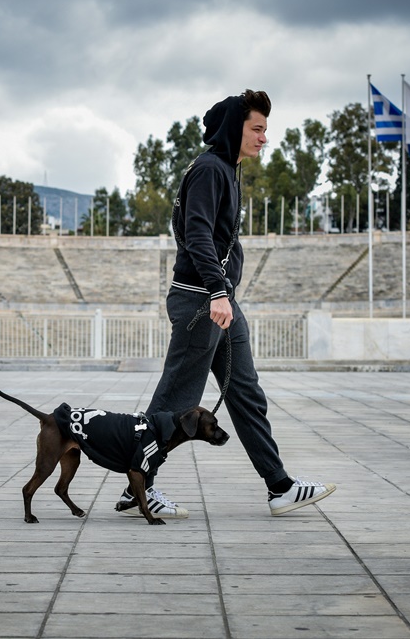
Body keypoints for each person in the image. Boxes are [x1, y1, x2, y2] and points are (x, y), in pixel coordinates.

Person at [115, 89, 336, 519]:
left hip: (221, 303)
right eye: (257, 128)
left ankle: (280, 486)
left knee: (246, 393)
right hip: (202, 301)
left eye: (265, 130)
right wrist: (217, 290)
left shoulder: (229, 171)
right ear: (236, 128)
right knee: (177, 400)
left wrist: (224, 293)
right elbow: (195, 233)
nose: (263, 138)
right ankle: (137, 485)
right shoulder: (210, 170)